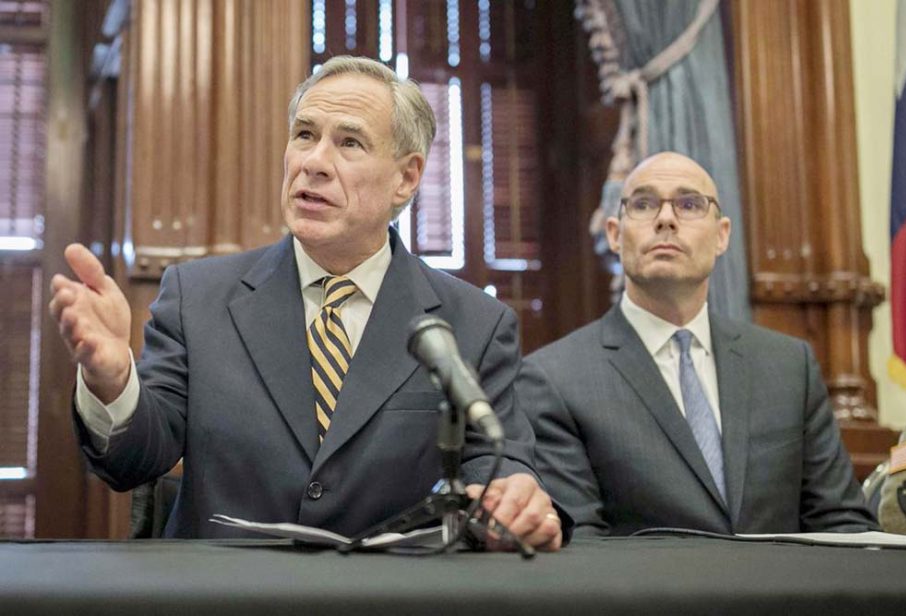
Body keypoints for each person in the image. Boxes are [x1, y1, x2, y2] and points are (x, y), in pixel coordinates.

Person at [50, 55, 563, 550]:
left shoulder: (474, 323)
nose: (314, 163)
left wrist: (509, 505)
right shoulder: (197, 297)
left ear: (406, 177)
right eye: (305, 135)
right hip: (226, 599)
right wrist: (113, 382)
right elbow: (136, 461)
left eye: (350, 143)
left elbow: (499, 473)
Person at [518, 151, 877, 536]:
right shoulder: (554, 377)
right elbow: (585, 547)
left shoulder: (789, 366)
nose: (666, 219)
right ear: (614, 234)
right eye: (643, 204)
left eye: (689, 204)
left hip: (786, 595)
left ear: (722, 235)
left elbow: (843, 526)